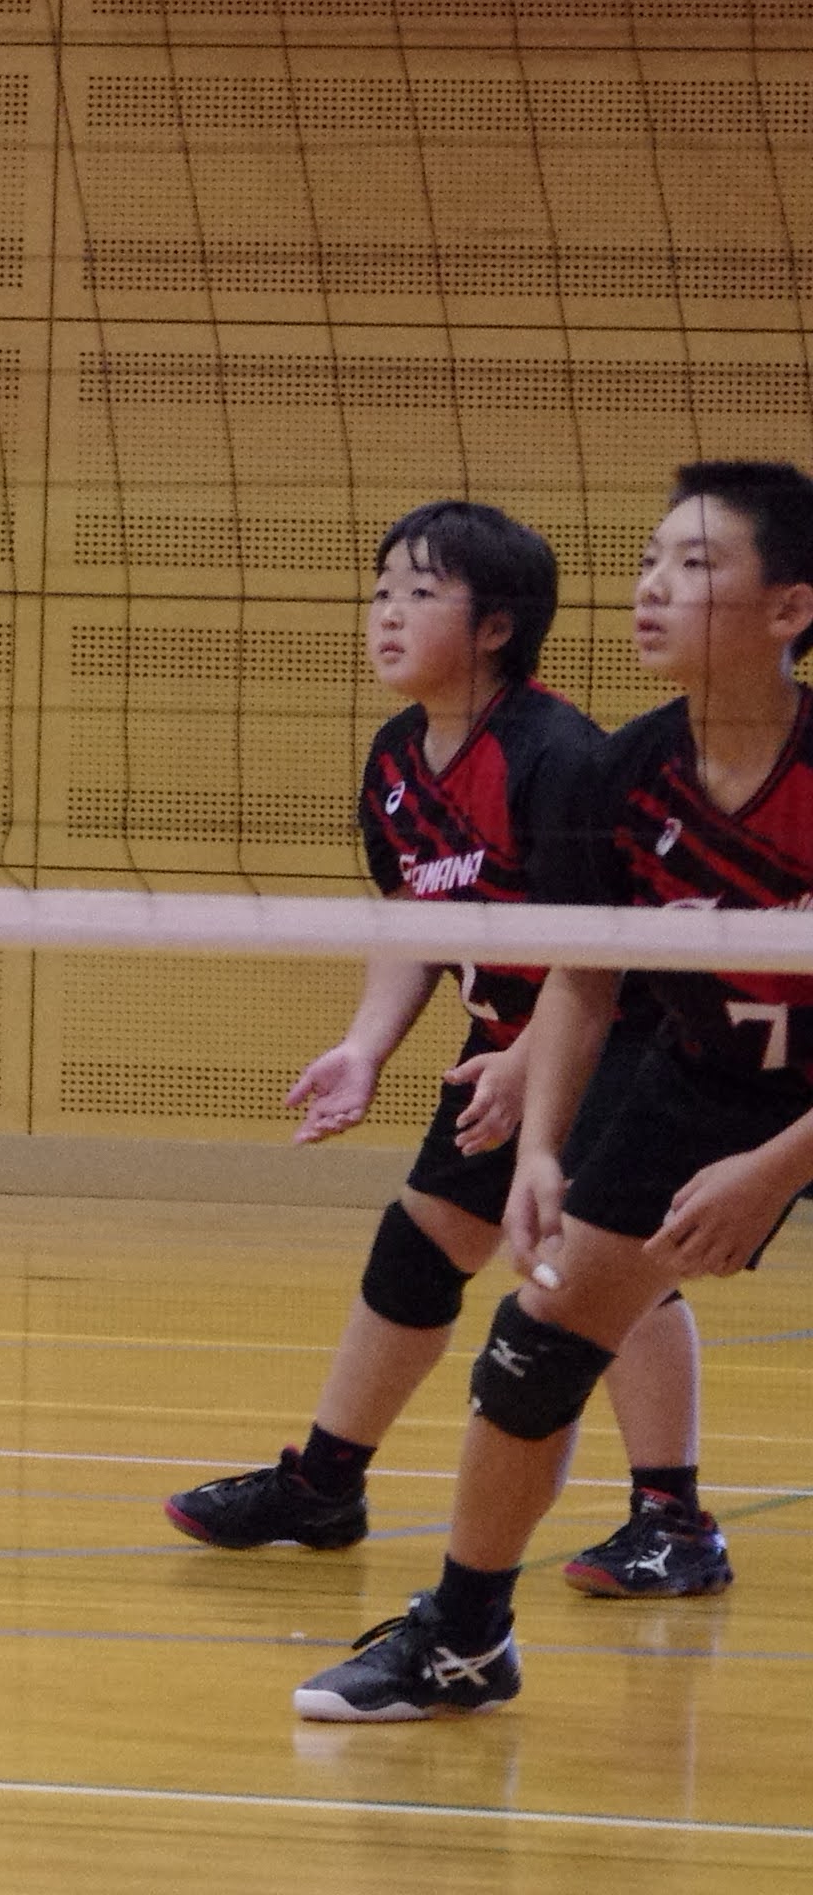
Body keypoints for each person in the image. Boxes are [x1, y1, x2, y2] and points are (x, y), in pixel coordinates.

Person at [299, 463, 813, 1723]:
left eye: (694, 565)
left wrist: (774, 1169)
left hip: (788, 1112)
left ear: (788, 608)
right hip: (702, 1077)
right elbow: (582, 978)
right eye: (648, 561)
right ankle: (463, 1639)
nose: (652, 588)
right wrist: (539, 1151)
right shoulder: (619, 775)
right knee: (531, 1349)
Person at [166, 503, 715, 1590]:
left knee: (606, 1270)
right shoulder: (394, 762)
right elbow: (414, 918)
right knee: (418, 1249)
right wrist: (365, 1047)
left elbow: (603, 954)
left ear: (495, 627)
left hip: (622, 1042)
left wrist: (530, 1062)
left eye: (419, 594)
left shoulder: (558, 758)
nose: (386, 614)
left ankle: (675, 1519)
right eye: (380, 591)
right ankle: (325, 1484)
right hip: (502, 1046)